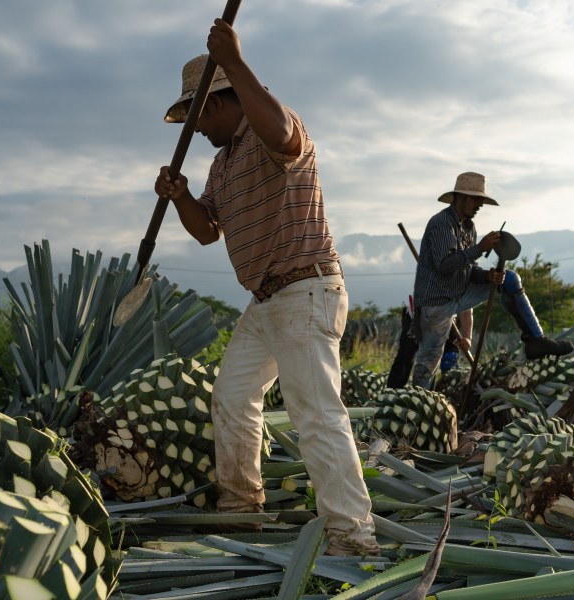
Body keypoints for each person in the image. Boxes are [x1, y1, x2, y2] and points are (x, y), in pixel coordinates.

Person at [154, 19, 380, 557]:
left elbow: (280, 131)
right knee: (232, 396)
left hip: (305, 290)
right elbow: (208, 231)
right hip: (266, 300)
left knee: (316, 414)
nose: (197, 129)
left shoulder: (273, 130)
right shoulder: (221, 163)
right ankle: (240, 507)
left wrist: (233, 61)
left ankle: (353, 535)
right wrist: (180, 196)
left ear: (214, 105)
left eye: (196, 116)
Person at [410, 172, 573, 389]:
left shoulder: (468, 227)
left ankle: (535, 340)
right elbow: (445, 264)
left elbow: (467, 268)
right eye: (475, 199)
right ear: (461, 197)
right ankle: (419, 403)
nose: (479, 205)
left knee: (509, 279)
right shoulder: (442, 224)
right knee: (428, 362)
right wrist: (480, 248)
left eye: (481, 201)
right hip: (436, 301)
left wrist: (487, 276)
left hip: (459, 293)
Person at [386, 298, 472, 388]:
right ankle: (392, 393)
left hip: (446, 321)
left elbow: (467, 309)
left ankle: (446, 394)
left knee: (449, 360)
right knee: (405, 359)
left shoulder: (462, 285)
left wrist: (467, 337)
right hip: (417, 316)